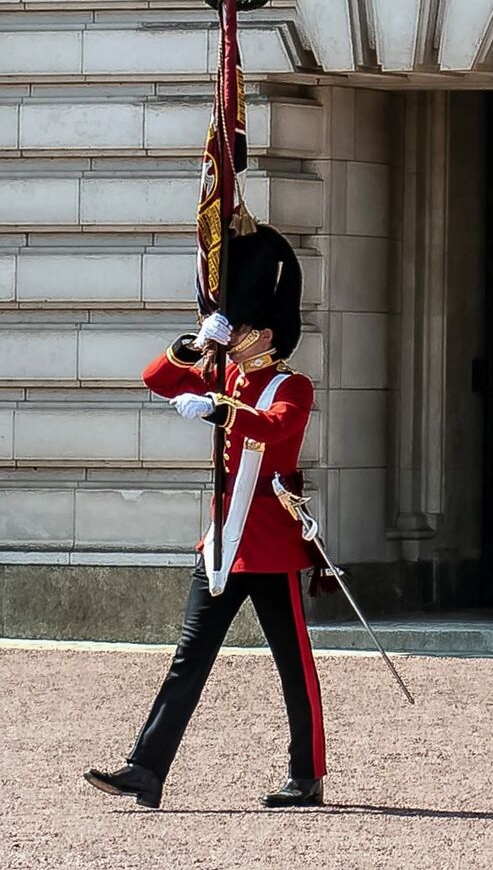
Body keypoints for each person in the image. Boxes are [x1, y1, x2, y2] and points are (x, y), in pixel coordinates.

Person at [88, 226, 325, 812]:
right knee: (189, 657)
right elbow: (155, 379)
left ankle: (307, 774)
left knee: (292, 666)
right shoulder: (224, 373)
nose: (233, 334)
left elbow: (272, 429)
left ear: (264, 332)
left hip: (269, 543)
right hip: (224, 542)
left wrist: (220, 408)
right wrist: (194, 346)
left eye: (239, 326)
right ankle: (146, 769)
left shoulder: (292, 385)